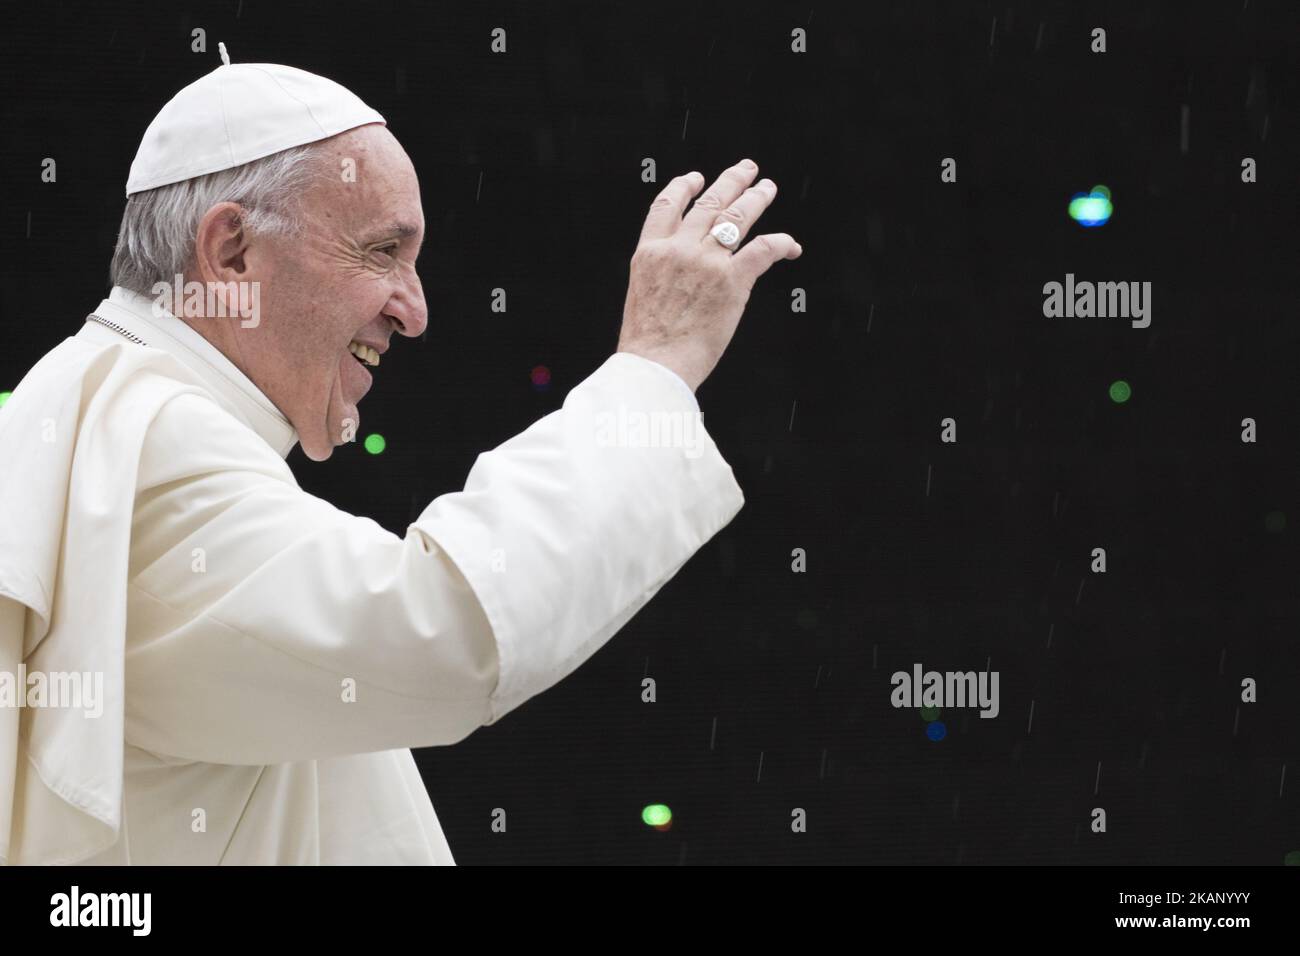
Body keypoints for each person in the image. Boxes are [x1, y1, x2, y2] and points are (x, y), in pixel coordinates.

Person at [0, 55, 802, 865]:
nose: (414, 312)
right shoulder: (146, 437)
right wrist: (654, 369)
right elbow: (435, 631)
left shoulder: (99, 400)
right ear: (233, 251)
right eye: (382, 252)